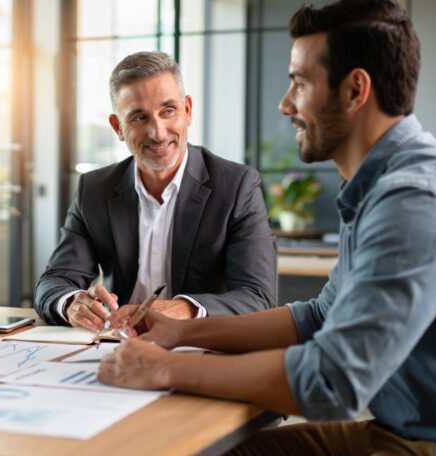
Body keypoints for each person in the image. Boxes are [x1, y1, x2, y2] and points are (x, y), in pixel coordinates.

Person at [98, 1, 436, 456]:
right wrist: (184, 333)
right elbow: (318, 317)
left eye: (299, 83)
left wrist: (166, 369)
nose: (286, 103)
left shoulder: (415, 201)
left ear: (354, 91)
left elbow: (332, 381)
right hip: (406, 431)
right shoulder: (379, 185)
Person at [34, 51, 277, 330]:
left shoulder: (237, 186)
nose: (158, 133)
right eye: (139, 117)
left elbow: (258, 297)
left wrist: (182, 308)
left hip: (201, 346)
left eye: (168, 111)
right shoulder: (95, 190)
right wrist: (72, 302)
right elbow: (54, 281)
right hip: (118, 347)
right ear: (118, 127)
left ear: (188, 110)